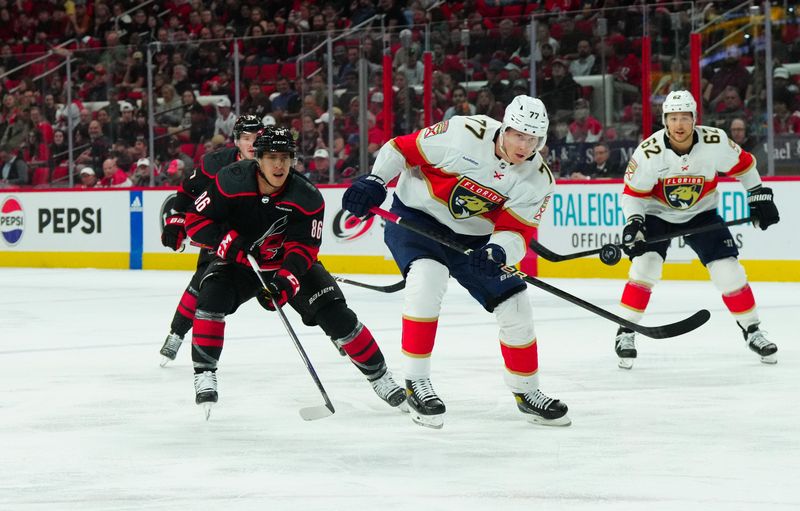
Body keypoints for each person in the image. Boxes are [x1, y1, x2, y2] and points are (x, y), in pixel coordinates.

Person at [341, 95, 570, 429]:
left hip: (475, 241)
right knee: (427, 277)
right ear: (505, 128)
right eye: (519, 135)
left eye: (534, 139)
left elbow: (518, 232)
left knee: (516, 305)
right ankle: (416, 383)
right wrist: (376, 180)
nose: (525, 145)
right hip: (418, 220)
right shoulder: (463, 132)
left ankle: (527, 391)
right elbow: (401, 149)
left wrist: (499, 252)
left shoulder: (538, 178)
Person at [182, 126, 406, 416]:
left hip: (287, 265)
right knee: (210, 298)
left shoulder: (307, 197)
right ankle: (204, 373)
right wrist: (226, 243)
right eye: (272, 157)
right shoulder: (230, 181)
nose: (279, 165)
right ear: (258, 159)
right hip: (240, 263)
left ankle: (380, 376)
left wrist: (285, 282)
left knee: (337, 315)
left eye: (285, 157)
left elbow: (304, 249)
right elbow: (196, 221)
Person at [613, 90, 780, 369]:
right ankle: (626, 331)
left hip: (702, 214)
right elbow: (633, 194)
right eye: (673, 118)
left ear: (695, 119)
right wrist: (634, 223)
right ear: (664, 120)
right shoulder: (649, 151)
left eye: (685, 118)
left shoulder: (714, 141)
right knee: (646, 267)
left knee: (728, 271)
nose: (679, 125)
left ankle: (752, 330)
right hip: (657, 215)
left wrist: (757, 194)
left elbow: (746, 166)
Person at [158, 115, 265, 366]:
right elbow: (187, 190)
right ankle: (176, 333)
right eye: (246, 139)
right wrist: (177, 218)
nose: (251, 144)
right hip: (220, 233)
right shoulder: (215, 162)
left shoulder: (274, 161)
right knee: (201, 285)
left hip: (261, 234)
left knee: (296, 279)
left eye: (256, 138)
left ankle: (337, 330)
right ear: (236, 141)